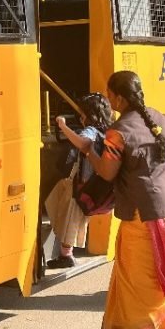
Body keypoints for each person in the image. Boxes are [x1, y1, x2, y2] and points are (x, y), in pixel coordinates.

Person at [56, 71, 165, 329]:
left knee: (139, 280)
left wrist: (90, 151)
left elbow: (107, 172)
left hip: (147, 216)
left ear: (118, 98)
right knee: (162, 275)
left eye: (109, 96)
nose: (109, 101)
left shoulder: (118, 132)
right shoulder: (161, 118)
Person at [44, 93, 113, 269]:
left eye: (82, 114)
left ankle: (66, 255)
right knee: (65, 209)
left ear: (90, 115)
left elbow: (83, 143)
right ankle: (65, 252)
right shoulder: (108, 130)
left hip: (82, 183)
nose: (81, 118)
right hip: (93, 183)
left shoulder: (91, 130)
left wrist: (63, 126)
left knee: (70, 217)